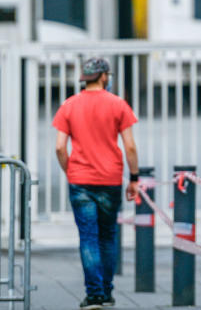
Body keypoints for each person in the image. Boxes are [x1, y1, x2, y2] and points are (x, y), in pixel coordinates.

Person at [52, 58, 140, 310]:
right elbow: (130, 146)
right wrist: (133, 178)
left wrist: (71, 171)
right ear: (103, 76)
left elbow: (59, 146)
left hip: (80, 180)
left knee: (88, 237)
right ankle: (107, 292)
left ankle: (94, 295)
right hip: (110, 179)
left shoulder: (69, 105)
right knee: (108, 236)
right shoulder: (118, 105)